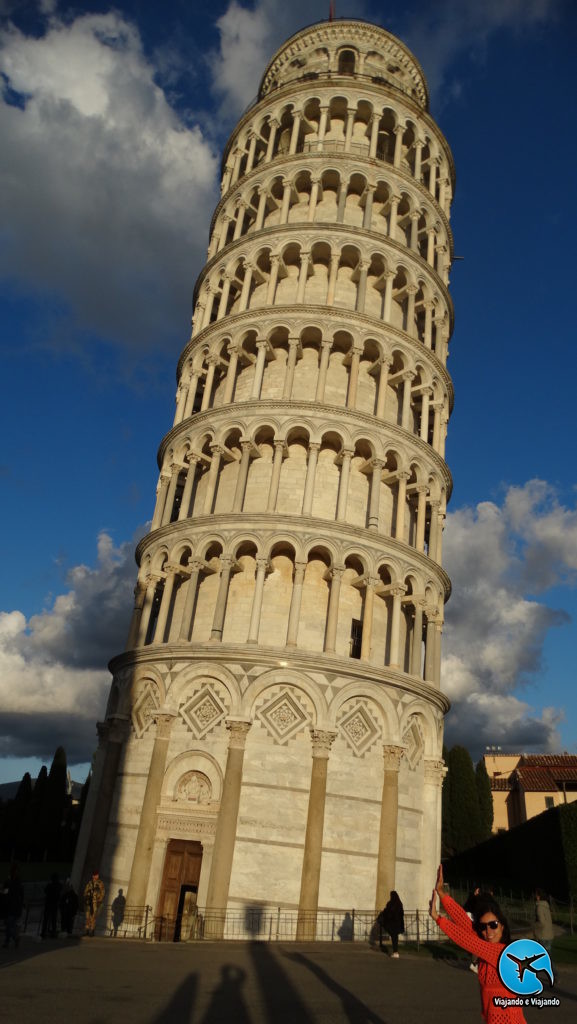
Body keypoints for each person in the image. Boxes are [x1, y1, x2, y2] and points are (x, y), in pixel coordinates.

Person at [430, 865, 527, 1024]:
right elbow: (466, 924)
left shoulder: (503, 953)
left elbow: (467, 940)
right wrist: (442, 894)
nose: (488, 931)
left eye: (493, 925)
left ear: (502, 925)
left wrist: (439, 919)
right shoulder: (488, 947)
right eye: (484, 927)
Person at [2, 865, 24, 950]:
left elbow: (5, 893)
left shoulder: (10, 882)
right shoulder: (17, 883)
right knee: (10, 925)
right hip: (13, 906)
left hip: (11, 907)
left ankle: (12, 939)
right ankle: (12, 939)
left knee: (9, 925)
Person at [379, 890, 404, 958]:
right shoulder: (399, 903)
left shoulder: (391, 903)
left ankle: (395, 952)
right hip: (398, 924)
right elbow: (402, 913)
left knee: (394, 938)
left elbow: (387, 912)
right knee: (395, 938)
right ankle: (396, 952)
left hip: (392, 924)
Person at [83, 869, 105, 937]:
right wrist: (86, 897)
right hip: (89, 902)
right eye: (96, 875)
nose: (97, 876)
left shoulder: (100, 883)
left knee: (93, 917)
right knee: (87, 917)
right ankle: (86, 930)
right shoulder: (89, 883)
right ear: (93, 876)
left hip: (95, 903)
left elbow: (103, 893)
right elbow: (85, 892)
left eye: (97, 875)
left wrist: (99, 901)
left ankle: (92, 931)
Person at [41, 873, 62, 938]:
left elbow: (45, 891)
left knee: (46, 919)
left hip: (49, 904)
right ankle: (53, 933)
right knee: (53, 919)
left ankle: (44, 932)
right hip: (54, 904)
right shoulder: (58, 886)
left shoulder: (50, 886)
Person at [534, 889, 554, 954]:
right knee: (548, 956)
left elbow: (541, 922)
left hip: (542, 935)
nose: (536, 896)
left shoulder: (539, 907)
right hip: (549, 934)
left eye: (536, 895)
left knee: (542, 956)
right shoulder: (546, 906)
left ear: (539, 896)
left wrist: (535, 926)